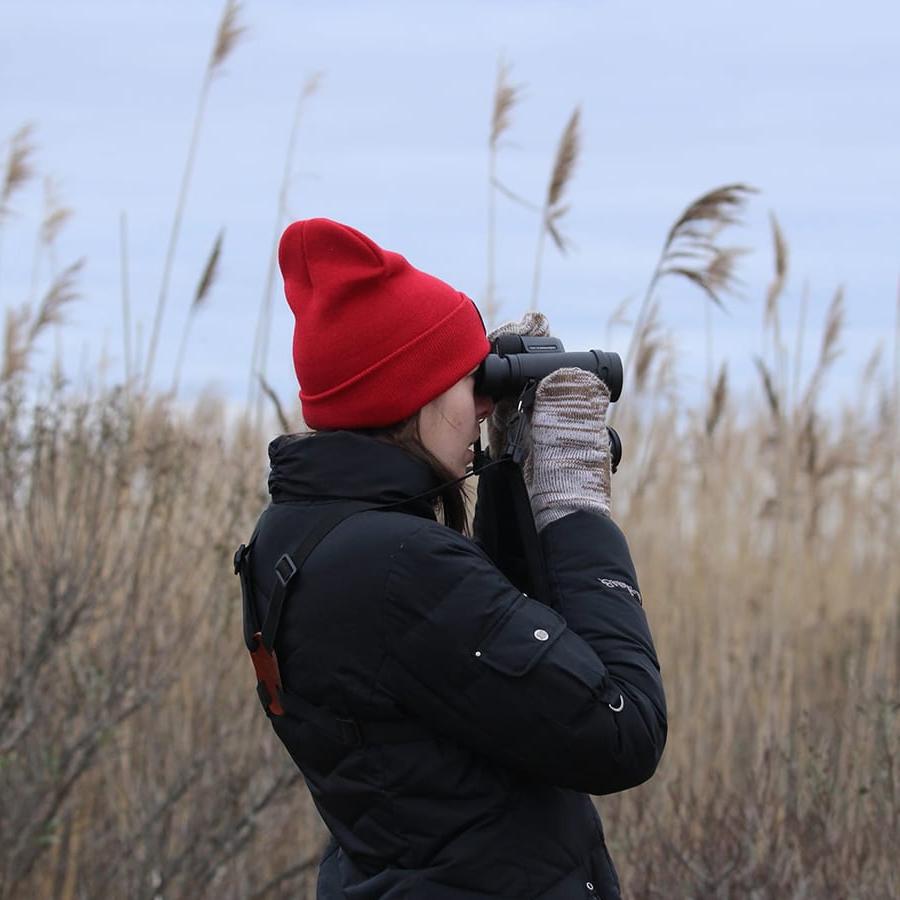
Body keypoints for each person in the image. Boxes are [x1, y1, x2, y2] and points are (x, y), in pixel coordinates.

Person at [239, 218, 667, 899]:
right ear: (412, 393)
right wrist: (574, 503)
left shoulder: (297, 540)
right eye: (469, 386)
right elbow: (623, 729)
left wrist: (509, 466)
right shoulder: (400, 567)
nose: (479, 405)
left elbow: (492, 670)